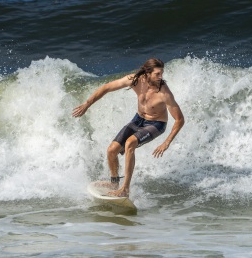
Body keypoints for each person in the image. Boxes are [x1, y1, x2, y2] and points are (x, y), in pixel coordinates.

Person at [72, 58, 185, 197]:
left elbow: (179, 119)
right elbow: (106, 87)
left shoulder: (164, 93)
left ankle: (125, 189)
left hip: (156, 124)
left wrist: (166, 143)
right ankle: (114, 183)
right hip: (138, 119)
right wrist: (87, 104)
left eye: (162, 73)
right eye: (157, 73)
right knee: (111, 150)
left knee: (130, 143)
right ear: (147, 72)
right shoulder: (135, 80)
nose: (161, 77)